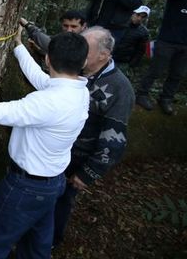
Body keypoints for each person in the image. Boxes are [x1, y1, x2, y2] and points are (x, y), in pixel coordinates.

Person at [0, 27, 90, 259]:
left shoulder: (47, 103)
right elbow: (44, 80)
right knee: (37, 247)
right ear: (82, 62)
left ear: (48, 59)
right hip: (53, 184)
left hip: (25, 188)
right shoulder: (79, 91)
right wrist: (18, 46)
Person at [53, 26, 134, 247]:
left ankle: (52, 240)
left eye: (85, 48)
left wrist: (88, 173)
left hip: (77, 158)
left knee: (62, 201)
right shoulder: (75, 68)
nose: (77, 51)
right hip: (55, 150)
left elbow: (114, 139)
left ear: (104, 56)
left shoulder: (120, 89)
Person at [136, 0, 187, 115]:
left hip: (184, 45)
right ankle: (142, 94)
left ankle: (166, 98)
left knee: (177, 74)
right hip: (167, 41)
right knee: (156, 70)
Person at [20, 10, 87, 55]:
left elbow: (49, 43)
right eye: (65, 26)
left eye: (74, 26)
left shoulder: (87, 42)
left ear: (83, 26)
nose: (69, 30)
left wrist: (28, 25)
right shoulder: (64, 38)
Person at [112, 5, 150, 70]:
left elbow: (140, 51)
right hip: (106, 56)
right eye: (138, 14)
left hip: (122, 63)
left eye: (143, 17)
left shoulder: (144, 32)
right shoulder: (120, 22)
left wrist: (131, 65)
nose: (139, 18)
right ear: (133, 13)